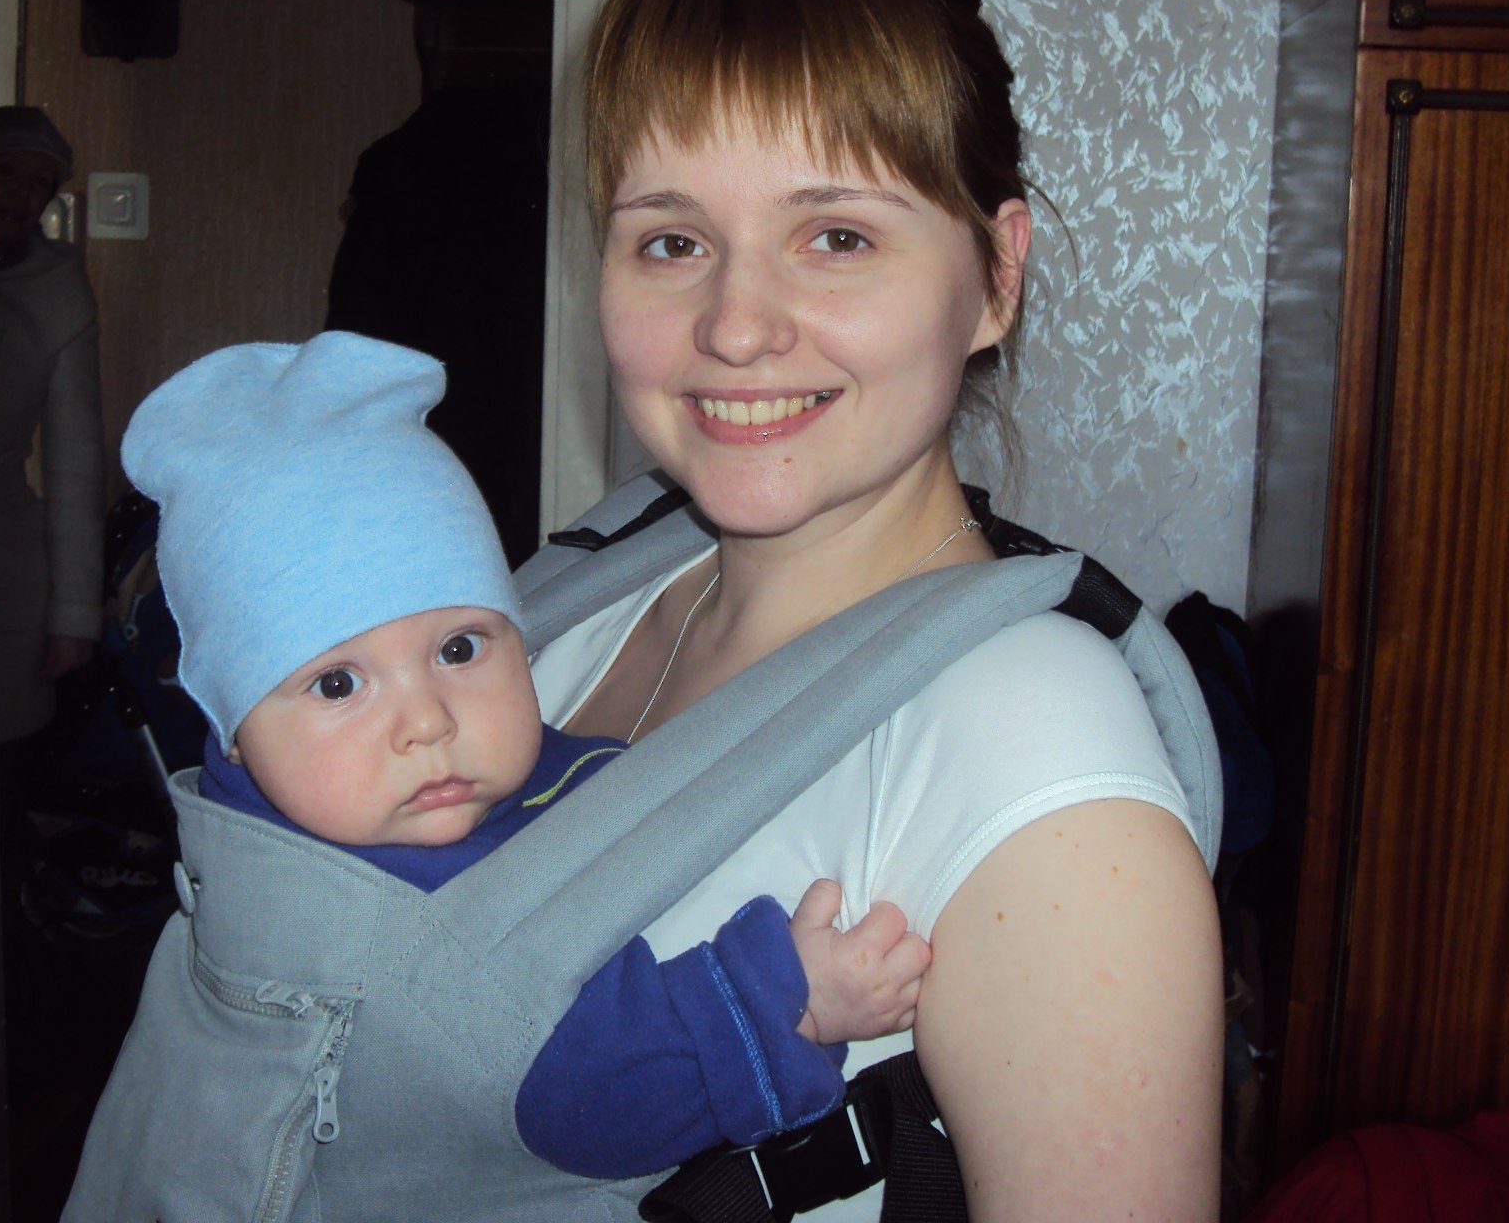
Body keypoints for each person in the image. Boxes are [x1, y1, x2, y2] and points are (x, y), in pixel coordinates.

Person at [528, 0, 1224, 1218]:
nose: (735, 327)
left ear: (995, 277)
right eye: (671, 240)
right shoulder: (574, 602)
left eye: (836, 237)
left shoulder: (1033, 742)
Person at [102, 331, 932, 1182]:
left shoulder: (347, 794)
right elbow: (591, 1102)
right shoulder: (386, 922)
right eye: (338, 685)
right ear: (235, 730)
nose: (427, 722)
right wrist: (785, 1003)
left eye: (459, 649)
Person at [0, 105, 103, 746]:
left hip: (4, 560)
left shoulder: (57, 290)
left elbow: (75, 465)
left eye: (39, 182)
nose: (20, 193)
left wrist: (74, 616)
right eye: (4, 170)